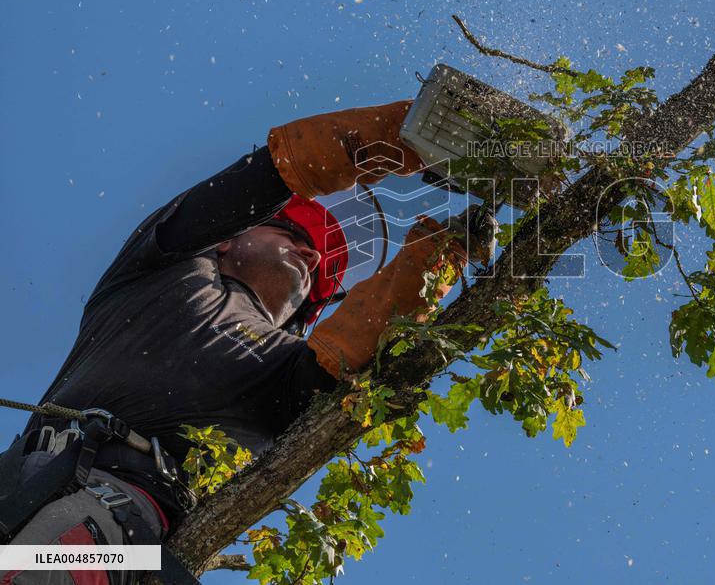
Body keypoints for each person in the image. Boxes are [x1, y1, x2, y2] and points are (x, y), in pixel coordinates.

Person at [0, 100, 482, 584]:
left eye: (318, 264)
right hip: (20, 475)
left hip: (114, 521)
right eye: (292, 233)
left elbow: (355, 344)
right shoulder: (166, 264)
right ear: (228, 239)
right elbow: (268, 175)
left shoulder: (286, 368)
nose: (311, 254)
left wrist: (446, 250)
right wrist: (409, 136)